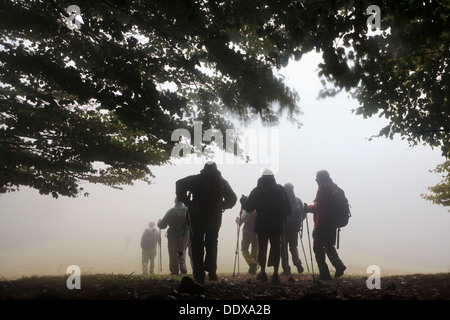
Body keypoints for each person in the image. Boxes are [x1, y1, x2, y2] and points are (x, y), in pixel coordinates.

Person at [176, 161, 237, 283]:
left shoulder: (196, 180)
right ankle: (212, 272)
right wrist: (221, 206)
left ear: (204, 169)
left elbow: (179, 183)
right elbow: (233, 199)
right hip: (214, 220)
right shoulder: (222, 182)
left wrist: (185, 201)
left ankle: (199, 274)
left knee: (197, 245)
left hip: (196, 218)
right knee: (212, 243)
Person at [241, 169, 291, 283]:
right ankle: (275, 273)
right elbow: (288, 210)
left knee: (262, 248)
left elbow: (248, 207)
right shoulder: (281, 190)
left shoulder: (257, 190)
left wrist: (243, 201)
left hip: (262, 224)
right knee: (276, 248)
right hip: (277, 224)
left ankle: (262, 272)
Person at [304, 170, 347, 280]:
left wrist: (307, 208)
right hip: (332, 224)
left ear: (321, 178)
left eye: (317, 178)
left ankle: (324, 274)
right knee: (328, 246)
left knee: (317, 248)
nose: (316, 180)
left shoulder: (323, 190)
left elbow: (319, 208)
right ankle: (339, 265)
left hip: (321, 223)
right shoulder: (335, 188)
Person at [158, 198, 189, 275]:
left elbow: (162, 225)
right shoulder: (187, 210)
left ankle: (174, 270)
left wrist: (159, 223)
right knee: (182, 250)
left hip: (172, 235)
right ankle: (183, 267)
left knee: (173, 253)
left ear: (175, 202)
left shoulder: (170, 211)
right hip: (184, 235)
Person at [281, 183, 305, 275]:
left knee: (283, 249)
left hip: (284, 228)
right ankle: (297, 262)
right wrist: (298, 223)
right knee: (293, 247)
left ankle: (286, 268)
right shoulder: (298, 200)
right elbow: (302, 215)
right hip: (295, 228)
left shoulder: (282, 200)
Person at [236, 209, 258, 275]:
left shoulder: (248, 205)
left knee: (244, 249)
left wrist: (238, 220)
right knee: (255, 249)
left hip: (247, 231)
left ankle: (252, 263)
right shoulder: (259, 204)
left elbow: (241, 219)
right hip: (257, 231)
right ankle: (253, 269)